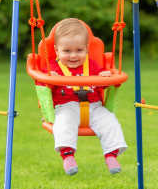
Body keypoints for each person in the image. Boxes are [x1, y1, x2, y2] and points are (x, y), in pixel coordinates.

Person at [39, 18, 127, 176]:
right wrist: (48, 79)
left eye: (79, 50)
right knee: (63, 125)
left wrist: (104, 76)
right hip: (66, 108)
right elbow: (42, 84)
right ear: (57, 50)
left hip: (95, 107)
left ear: (87, 49)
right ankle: (67, 155)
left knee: (110, 122)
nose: (73, 55)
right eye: (67, 51)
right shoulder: (52, 68)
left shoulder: (92, 65)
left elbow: (104, 84)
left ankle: (111, 155)